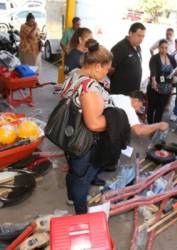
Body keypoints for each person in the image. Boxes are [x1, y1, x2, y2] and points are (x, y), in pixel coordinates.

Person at [60, 39, 113, 214]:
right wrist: (115, 120)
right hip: (83, 141)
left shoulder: (75, 73)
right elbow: (94, 124)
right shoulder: (89, 87)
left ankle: (70, 197)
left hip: (68, 134)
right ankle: (81, 212)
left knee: (73, 171)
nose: (107, 73)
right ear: (97, 66)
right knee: (83, 178)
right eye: (106, 68)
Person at [109, 22, 146, 95]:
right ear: (130, 33)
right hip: (120, 93)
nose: (141, 39)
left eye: (143, 36)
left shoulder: (138, 47)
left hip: (133, 93)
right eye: (139, 36)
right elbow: (110, 70)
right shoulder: (120, 48)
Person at [147, 39, 177, 124]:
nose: (164, 50)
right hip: (155, 87)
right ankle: (150, 125)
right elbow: (153, 70)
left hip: (166, 88)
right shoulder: (154, 58)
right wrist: (153, 80)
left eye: (166, 48)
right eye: (162, 48)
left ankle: (156, 126)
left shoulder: (171, 58)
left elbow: (175, 68)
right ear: (158, 48)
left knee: (160, 109)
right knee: (151, 108)